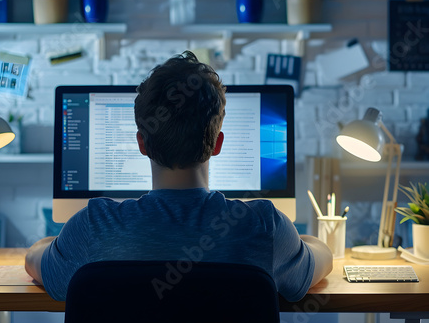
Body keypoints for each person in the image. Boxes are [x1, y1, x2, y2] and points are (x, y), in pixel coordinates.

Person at [25, 51, 333, 302]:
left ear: (141, 143)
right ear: (217, 143)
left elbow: (34, 262)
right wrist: (300, 240)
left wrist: (51, 243)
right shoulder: (265, 226)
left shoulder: (92, 226)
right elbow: (322, 260)